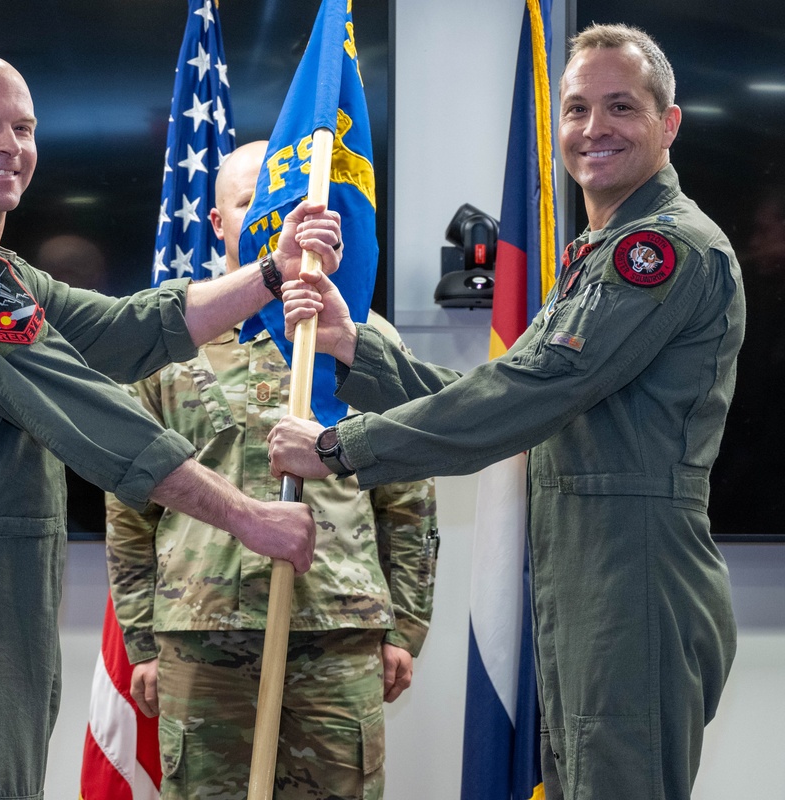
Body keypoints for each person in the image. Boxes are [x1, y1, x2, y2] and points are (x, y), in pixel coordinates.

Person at [0, 53, 342, 800]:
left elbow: (122, 330)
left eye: (23, 125)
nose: (9, 143)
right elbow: (87, 411)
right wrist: (245, 516)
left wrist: (270, 271)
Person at [267, 24, 744, 800]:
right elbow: (516, 394)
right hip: (589, 573)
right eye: (578, 108)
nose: (594, 129)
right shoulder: (600, 249)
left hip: (635, 578)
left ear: (669, 123)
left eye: (620, 107)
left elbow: (529, 394)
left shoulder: (659, 251)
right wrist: (357, 350)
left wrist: (338, 446)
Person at [104, 140, 438, 800]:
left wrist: (405, 627)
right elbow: (130, 502)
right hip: (204, 636)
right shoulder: (170, 347)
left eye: (278, 207)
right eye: (246, 204)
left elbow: (408, 501)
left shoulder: (359, 339)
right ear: (217, 223)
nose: (265, 219)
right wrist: (141, 641)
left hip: (335, 636)